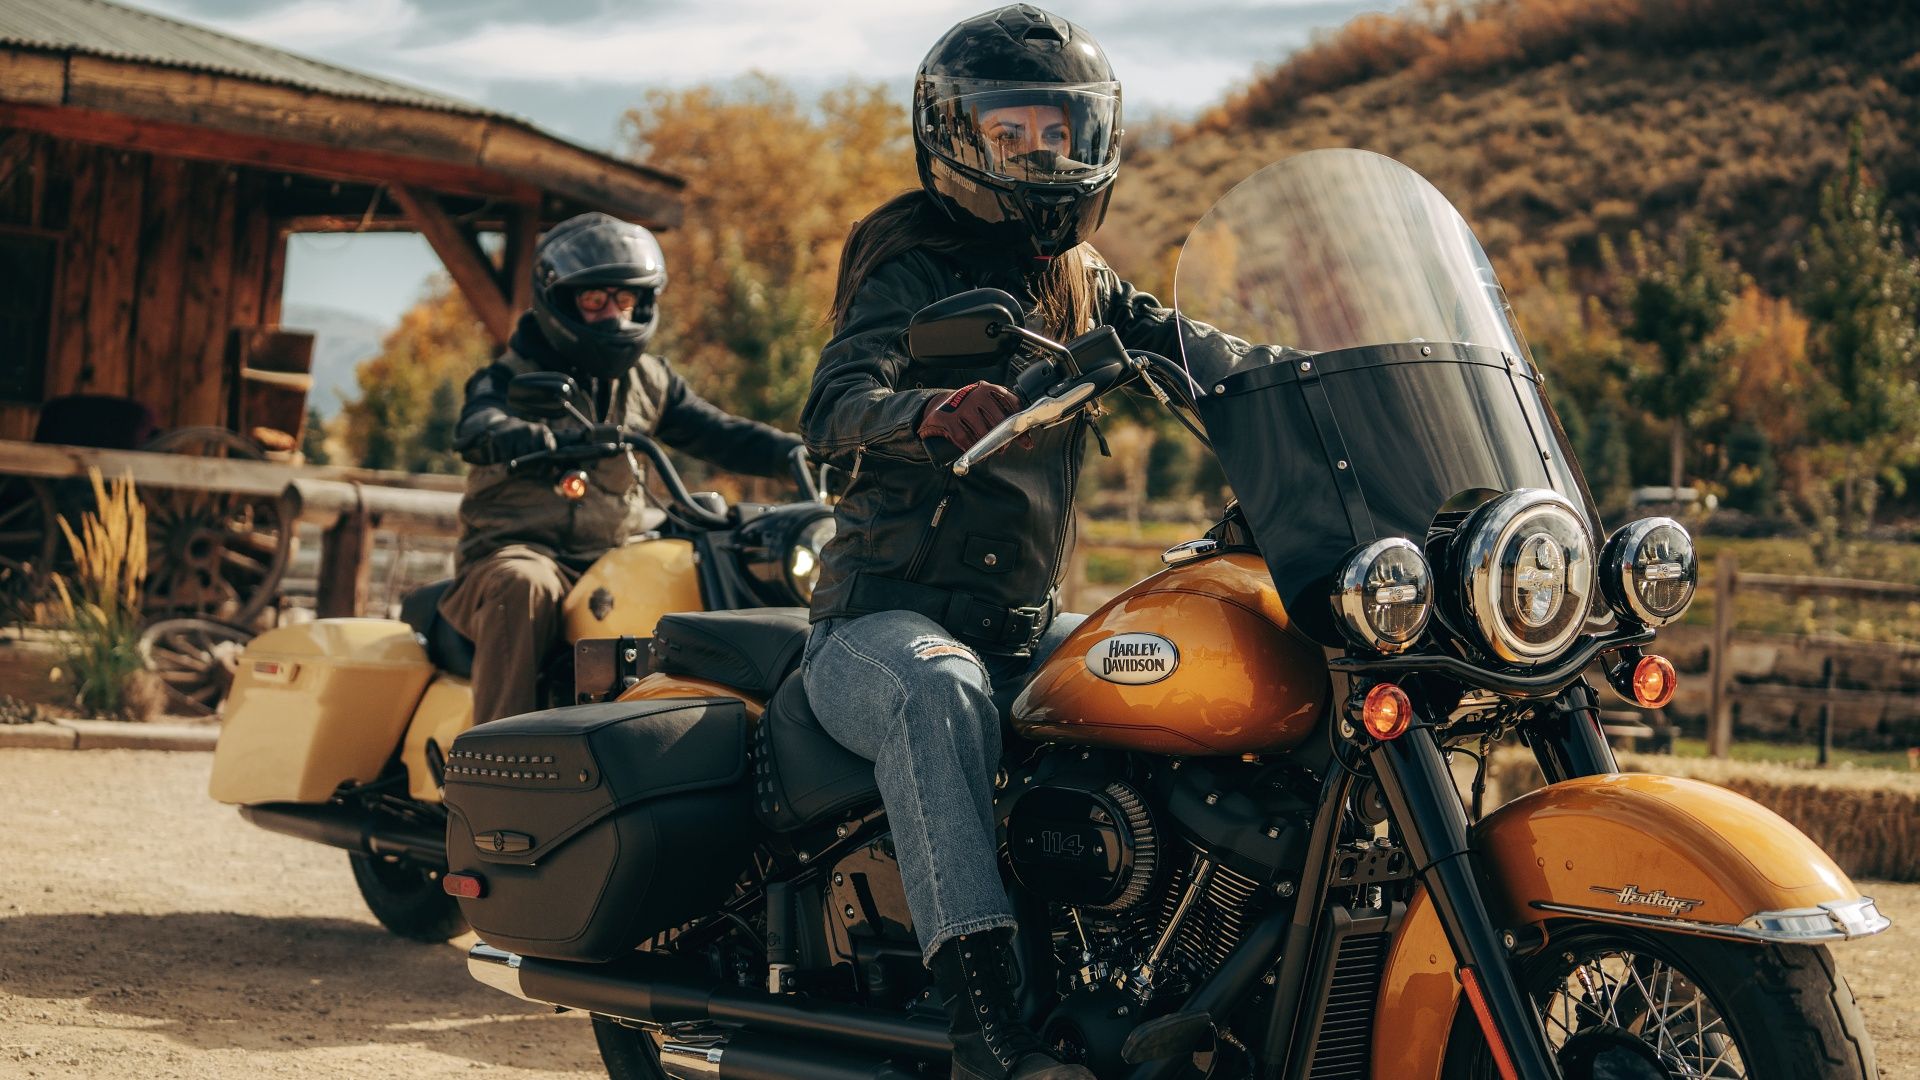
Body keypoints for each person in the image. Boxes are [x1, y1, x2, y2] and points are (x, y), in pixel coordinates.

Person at [799, 7, 1228, 1078]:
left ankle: (1162, 971)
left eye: (1063, 133)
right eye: (1015, 135)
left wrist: (1302, 377)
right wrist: (920, 412)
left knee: (1177, 663)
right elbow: (836, 402)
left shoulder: (1083, 277)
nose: (1045, 157)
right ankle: (986, 1023)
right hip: (878, 623)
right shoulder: (906, 260)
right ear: (956, 136)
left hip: (1020, 628)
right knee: (937, 690)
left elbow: (1184, 345)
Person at [442, 212, 802, 724]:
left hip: (612, 554)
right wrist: (516, 433)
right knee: (523, 585)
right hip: (515, 553)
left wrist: (802, 452)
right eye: (595, 301)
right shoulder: (510, 375)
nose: (614, 316)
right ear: (562, 301)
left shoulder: (649, 380)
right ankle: (492, 765)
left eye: (626, 300)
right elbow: (476, 424)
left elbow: (721, 433)